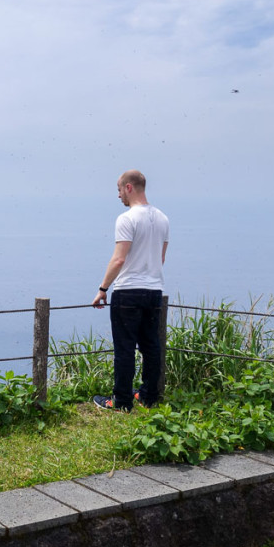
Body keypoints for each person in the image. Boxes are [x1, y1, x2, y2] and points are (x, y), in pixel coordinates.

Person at [91, 170, 169, 412]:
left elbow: (118, 260)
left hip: (128, 292)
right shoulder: (163, 219)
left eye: (118, 189)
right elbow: (160, 258)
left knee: (125, 349)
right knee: (151, 347)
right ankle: (149, 396)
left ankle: (121, 401)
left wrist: (103, 288)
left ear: (128, 187)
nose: (118, 196)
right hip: (154, 290)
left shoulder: (126, 219)